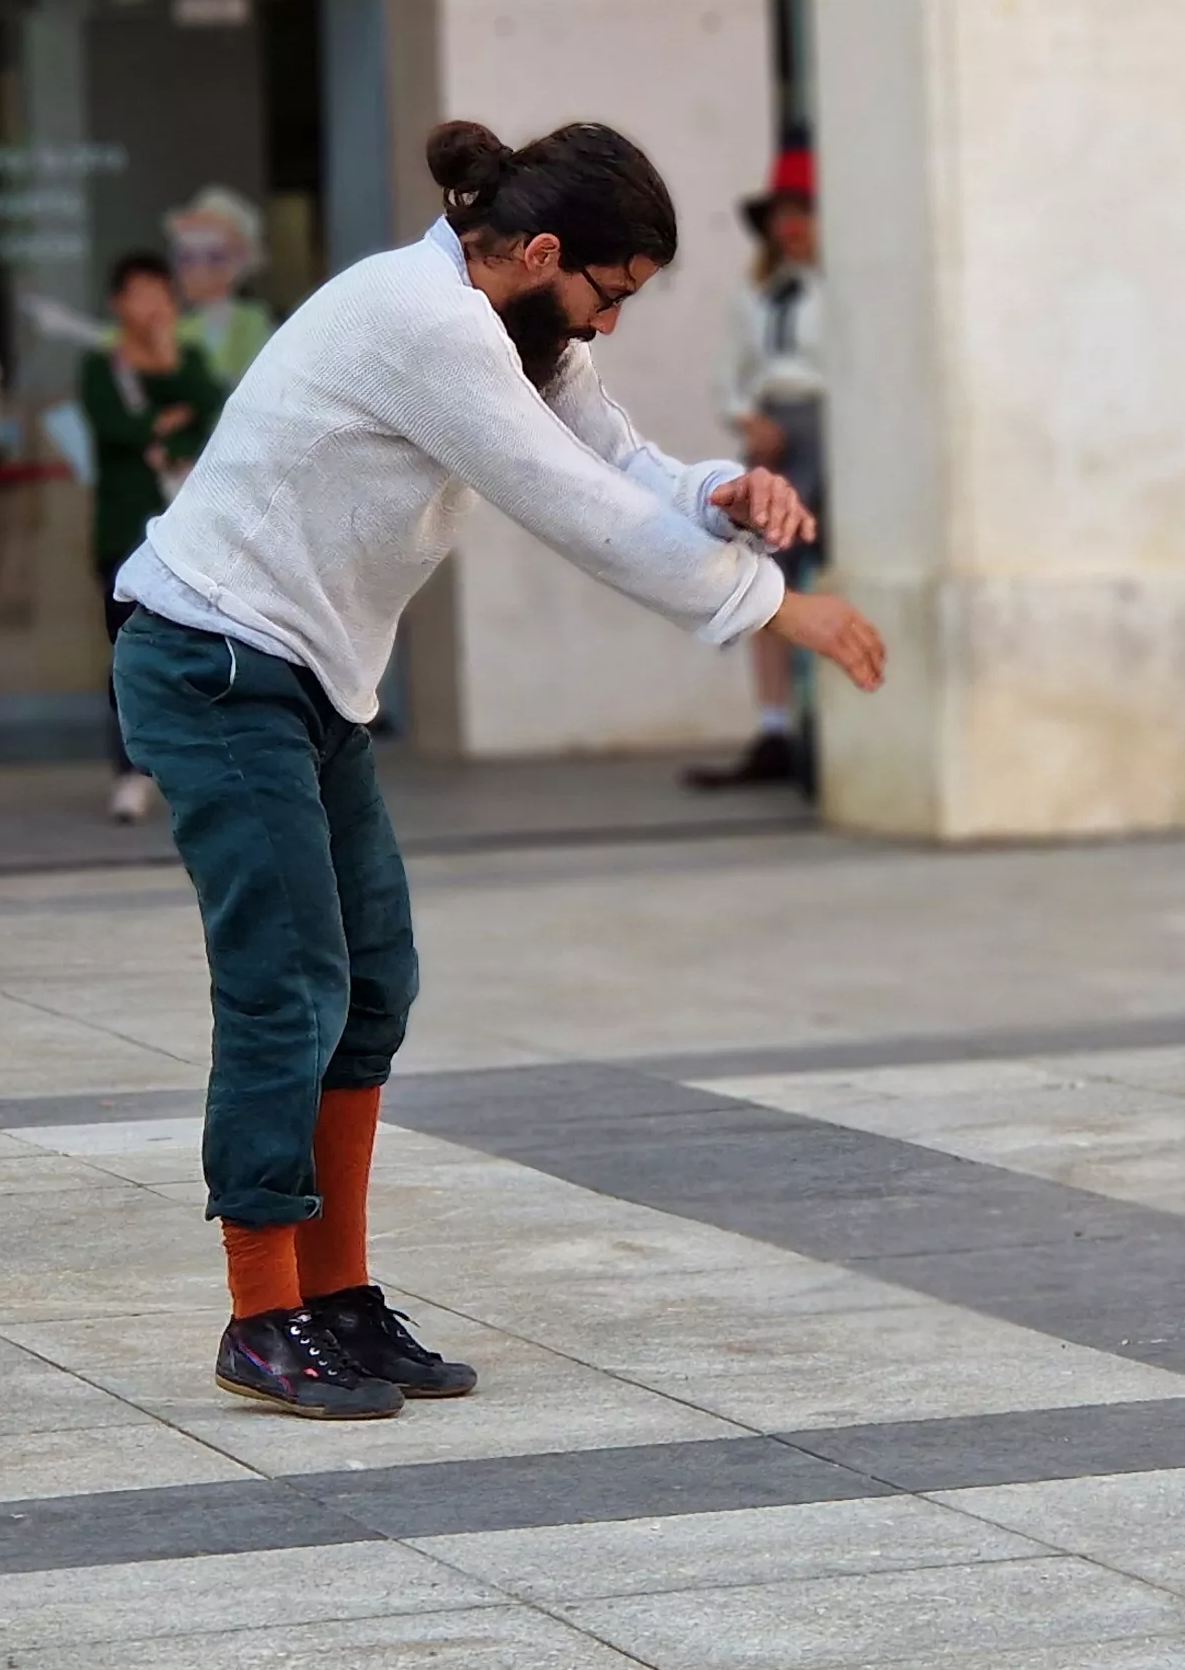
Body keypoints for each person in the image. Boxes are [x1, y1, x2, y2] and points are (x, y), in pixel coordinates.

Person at [113, 120, 882, 1418]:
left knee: (373, 980)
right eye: (609, 295)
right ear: (538, 252)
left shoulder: (523, 327)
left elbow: (621, 467)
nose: (611, 327)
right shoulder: (429, 324)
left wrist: (720, 495)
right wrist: (772, 608)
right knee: (289, 983)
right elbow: (564, 503)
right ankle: (261, 1314)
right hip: (213, 663)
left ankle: (336, 1296)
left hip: (301, 677)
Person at [690, 145, 833, 791]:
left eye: (803, 212)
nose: (791, 226)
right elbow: (729, 372)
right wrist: (749, 418)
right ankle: (775, 726)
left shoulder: (841, 290)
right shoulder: (756, 296)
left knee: (831, 569)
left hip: (831, 422)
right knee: (765, 574)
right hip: (776, 430)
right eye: (782, 214)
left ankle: (827, 725)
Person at [80, 250, 223, 824]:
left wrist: (167, 367)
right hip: (124, 526)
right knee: (128, 651)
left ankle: (192, 765)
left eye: (160, 292)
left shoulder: (185, 357)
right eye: (139, 294)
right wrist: (163, 422)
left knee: (196, 646)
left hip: (185, 527)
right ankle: (129, 772)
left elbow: (210, 407)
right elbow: (115, 428)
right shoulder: (101, 366)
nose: (152, 305)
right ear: (118, 304)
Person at [170, 186, 282, 393]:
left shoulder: (253, 320)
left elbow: (257, 381)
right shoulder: (183, 326)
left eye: (215, 258)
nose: (198, 271)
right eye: (186, 258)